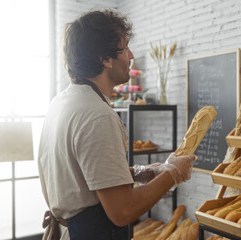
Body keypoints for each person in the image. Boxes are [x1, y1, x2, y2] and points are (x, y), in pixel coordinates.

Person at [38, 9, 196, 240]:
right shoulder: (98, 116)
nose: (131, 55)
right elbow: (123, 211)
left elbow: (81, 178)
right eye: (124, 48)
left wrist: (140, 172)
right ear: (105, 58)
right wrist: (173, 174)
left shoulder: (62, 102)